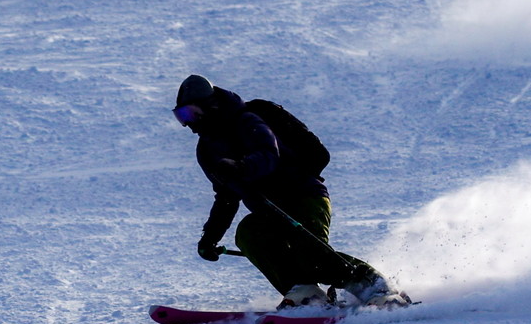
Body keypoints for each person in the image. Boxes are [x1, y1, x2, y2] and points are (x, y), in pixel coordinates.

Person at [172, 74, 407, 308]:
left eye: (190, 113)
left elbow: (268, 154)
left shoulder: (247, 121)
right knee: (249, 233)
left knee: (309, 254)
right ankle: (305, 292)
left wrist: (242, 166)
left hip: (303, 196)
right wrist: (210, 237)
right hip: (268, 211)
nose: (188, 122)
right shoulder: (207, 149)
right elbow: (226, 195)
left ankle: (376, 288)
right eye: (181, 116)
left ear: (210, 105)